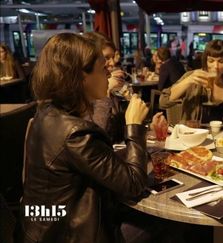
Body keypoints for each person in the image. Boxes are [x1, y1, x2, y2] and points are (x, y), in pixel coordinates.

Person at [21, 32, 156, 242]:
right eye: (103, 69)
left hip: (39, 226)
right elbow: (133, 184)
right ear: (82, 76)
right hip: (65, 234)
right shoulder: (76, 134)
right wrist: (135, 126)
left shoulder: (47, 113)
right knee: (164, 227)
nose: (109, 75)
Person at [159, 40, 223, 123]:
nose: (216, 66)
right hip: (194, 133)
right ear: (205, 61)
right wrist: (188, 80)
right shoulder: (193, 76)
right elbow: (163, 102)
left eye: (221, 61)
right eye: (211, 61)